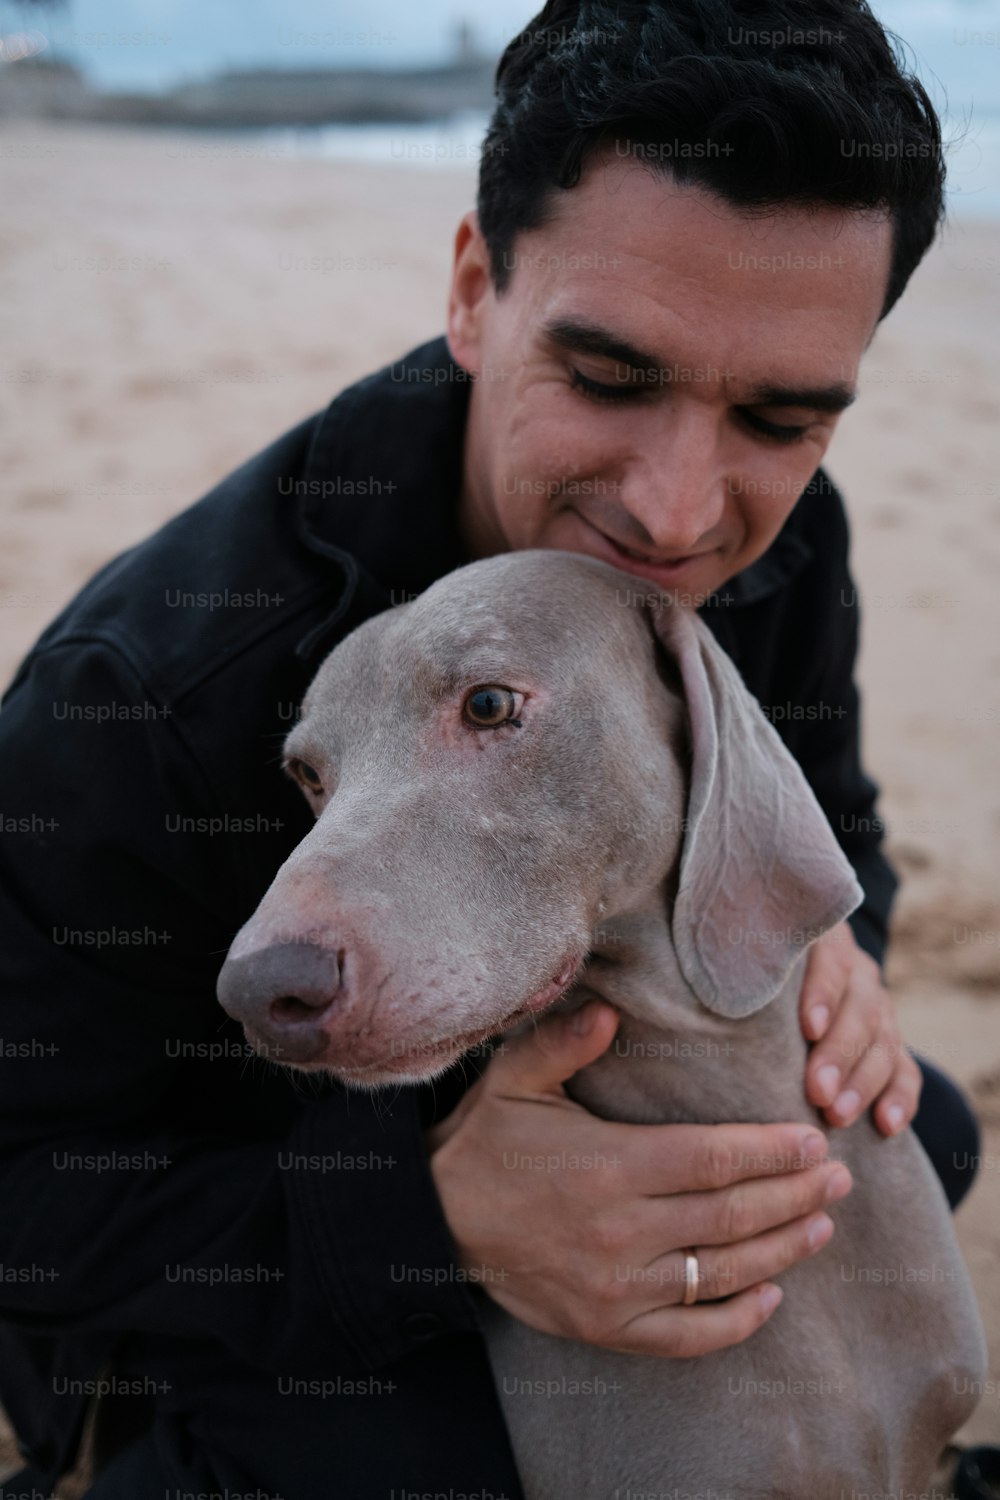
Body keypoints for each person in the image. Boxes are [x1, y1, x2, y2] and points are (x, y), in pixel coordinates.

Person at [0, 2, 981, 1496]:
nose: (675, 512)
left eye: (780, 416)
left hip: (595, 1130)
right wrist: (434, 1224)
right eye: (609, 377)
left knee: (927, 1135)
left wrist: (833, 948)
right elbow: (30, 1198)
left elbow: (832, 819)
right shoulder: (147, 685)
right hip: (224, 1265)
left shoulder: (768, 552)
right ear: (475, 290)